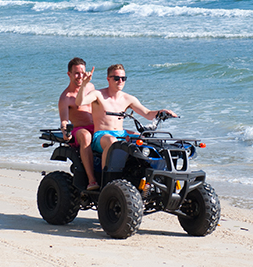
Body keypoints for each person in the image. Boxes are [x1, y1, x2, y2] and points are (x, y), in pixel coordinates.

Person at [76, 64, 177, 170]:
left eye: (123, 78)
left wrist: (162, 112)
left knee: (145, 140)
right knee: (112, 142)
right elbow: (80, 102)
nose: (120, 81)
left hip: (121, 133)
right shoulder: (98, 94)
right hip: (102, 136)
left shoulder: (128, 98)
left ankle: (151, 174)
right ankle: (107, 178)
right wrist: (84, 84)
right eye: (116, 78)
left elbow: (147, 114)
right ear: (108, 79)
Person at [58, 57, 99, 190]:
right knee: (86, 136)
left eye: (82, 72)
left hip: (97, 127)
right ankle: (92, 180)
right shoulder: (65, 97)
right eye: (76, 73)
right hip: (79, 130)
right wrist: (65, 132)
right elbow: (64, 120)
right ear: (69, 74)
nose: (80, 76)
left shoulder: (90, 87)